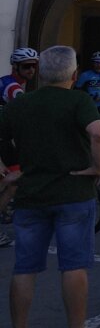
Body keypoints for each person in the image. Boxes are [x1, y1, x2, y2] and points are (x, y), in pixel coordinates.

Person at [0, 45, 100, 328]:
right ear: (74, 75)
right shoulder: (78, 100)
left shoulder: (23, 103)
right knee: (73, 265)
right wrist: (97, 169)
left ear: (42, 73)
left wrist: (9, 171)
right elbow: (99, 136)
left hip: (31, 195)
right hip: (73, 193)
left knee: (25, 268)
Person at [0, 49, 39, 247]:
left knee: (14, 177)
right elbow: (25, 115)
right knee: (13, 180)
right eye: (26, 66)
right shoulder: (14, 88)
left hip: (4, 137)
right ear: (16, 67)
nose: (31, 69)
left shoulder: (6, 81)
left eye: (34, 65)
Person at [76, 52, 100, 123]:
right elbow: (77, 91)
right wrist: (90, 97)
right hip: (91, 107)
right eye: (96, 63)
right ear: (93, 63)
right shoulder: (85, 75)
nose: (99, 65)